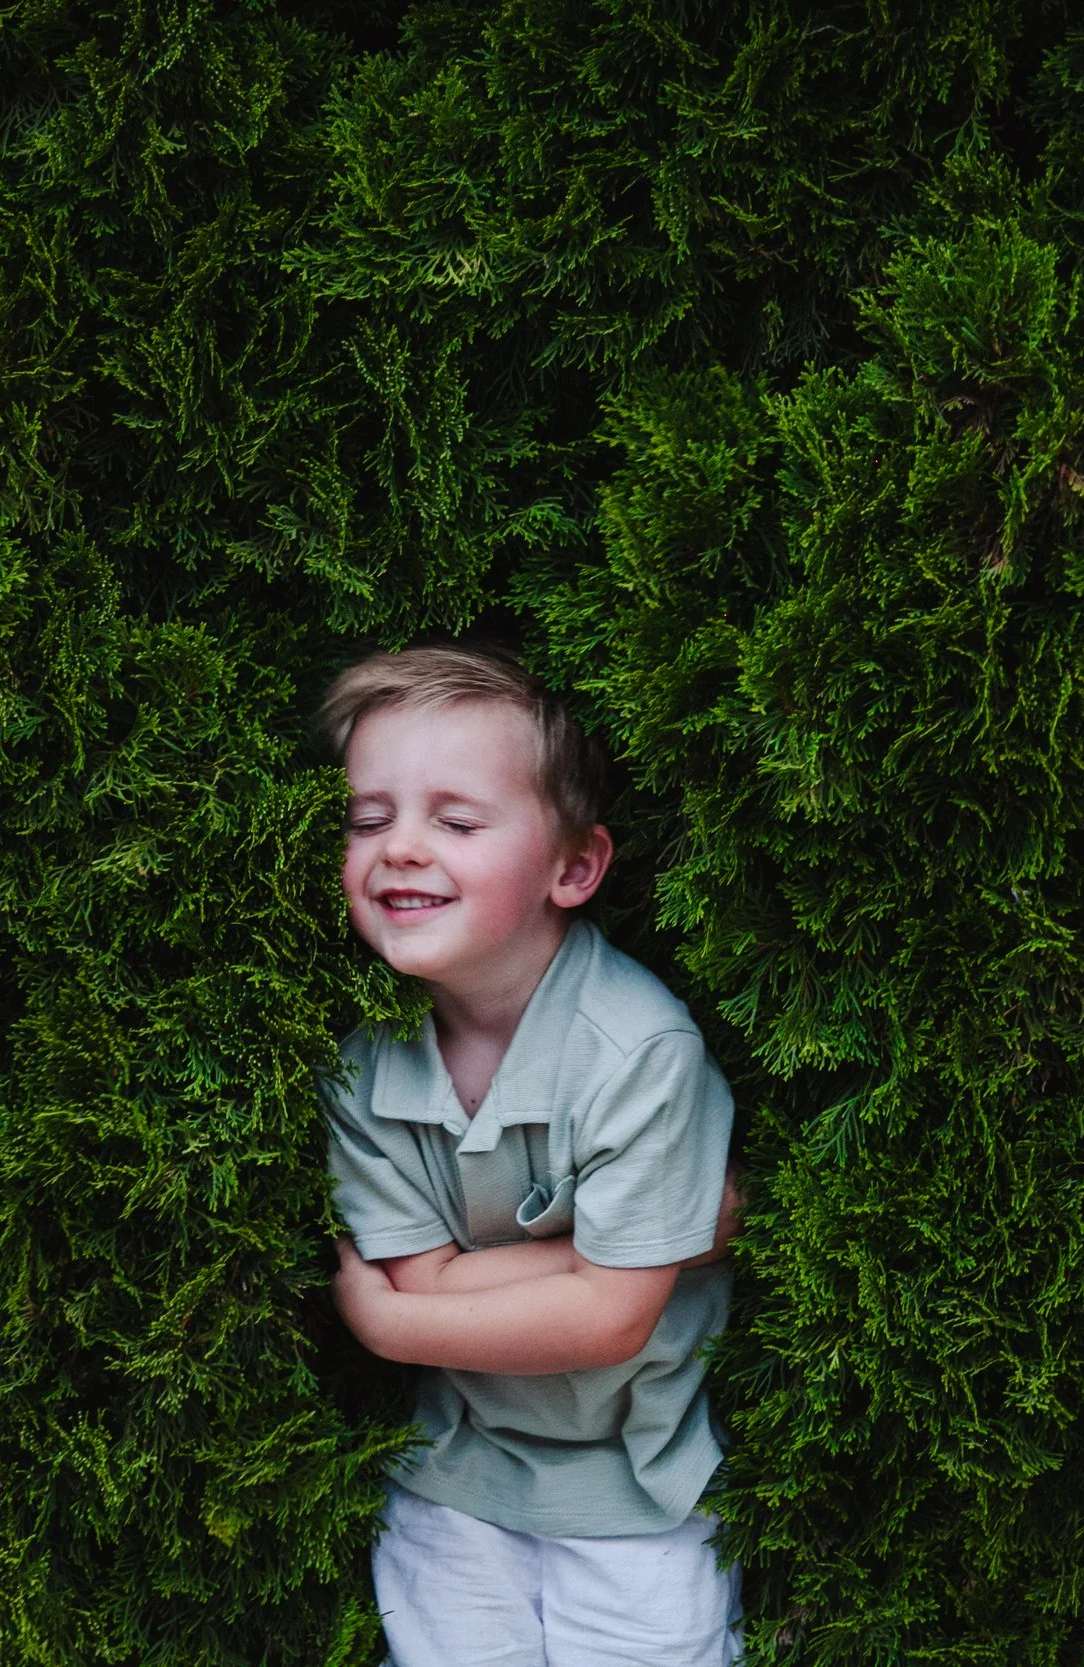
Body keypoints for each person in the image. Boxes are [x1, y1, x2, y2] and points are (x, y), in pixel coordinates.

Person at [320, 642, 743, 1667]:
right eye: (368, 818)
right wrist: (652, 1246)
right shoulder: (365, 1065)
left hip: (636, 1483)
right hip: (456, 1475)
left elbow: (605, 1320)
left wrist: (390, 1324)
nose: (401, 848)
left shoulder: (639, 1048)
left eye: (456, 820)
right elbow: (434, 1278)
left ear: (574, 865)